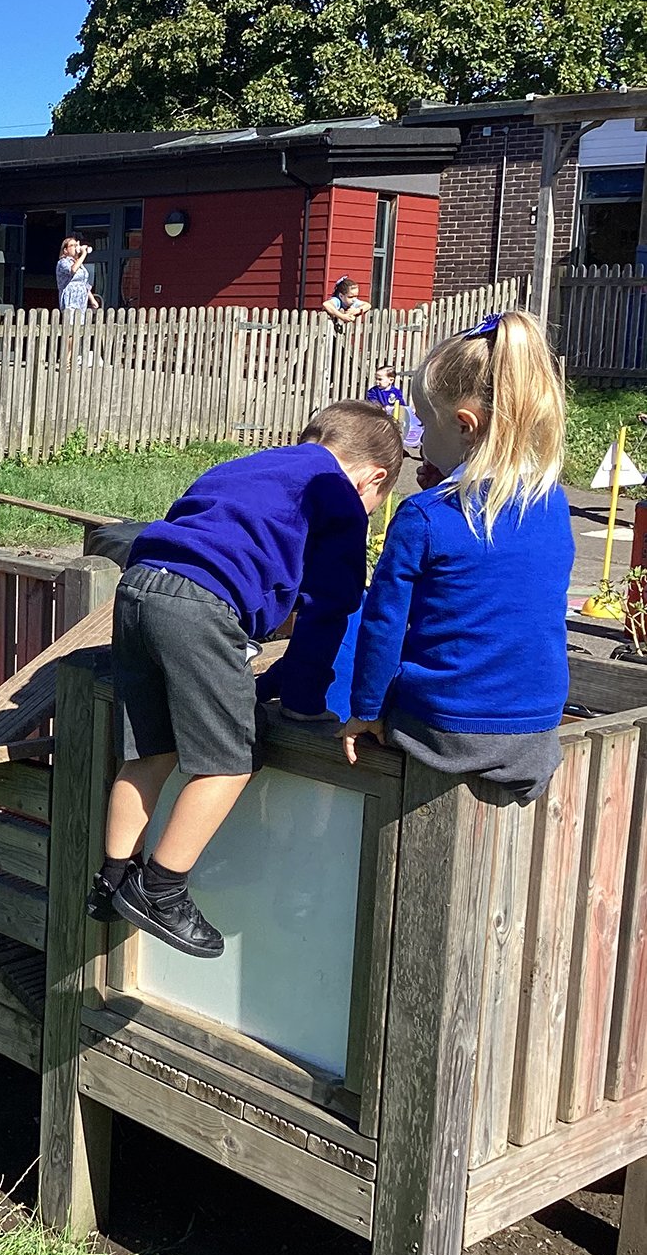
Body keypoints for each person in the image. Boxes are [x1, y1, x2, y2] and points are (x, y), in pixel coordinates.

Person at [89, 401, 402, 958]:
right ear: (373, 479)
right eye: (375, 504)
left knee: (151, 752)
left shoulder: (248, 464)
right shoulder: (339, 498)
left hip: (139, 587)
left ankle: (113, 879)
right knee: (232, 761)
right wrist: (305, 702)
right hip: (203, 606)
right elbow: (327, 611)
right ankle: (162, 889)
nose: (369, 512)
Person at [343, 311, 573, 804]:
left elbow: (383, 624)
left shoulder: (423, 516)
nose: (419, 442)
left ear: (465, 426)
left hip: (447, 728)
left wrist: (365, 710)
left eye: (423, 425)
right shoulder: (552, 502)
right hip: (535, 731)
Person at [56, 237, 99, 318]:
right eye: (72, 245)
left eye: (76, 245)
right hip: (70, 298)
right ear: (65, 250)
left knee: (81, 323)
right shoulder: (63, 262)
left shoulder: (79, 263)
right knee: (71, 323)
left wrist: (92, 299)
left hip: (81, 299)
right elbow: (72, 270)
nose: (75, 247)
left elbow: (84, 283)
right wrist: (83, 254)